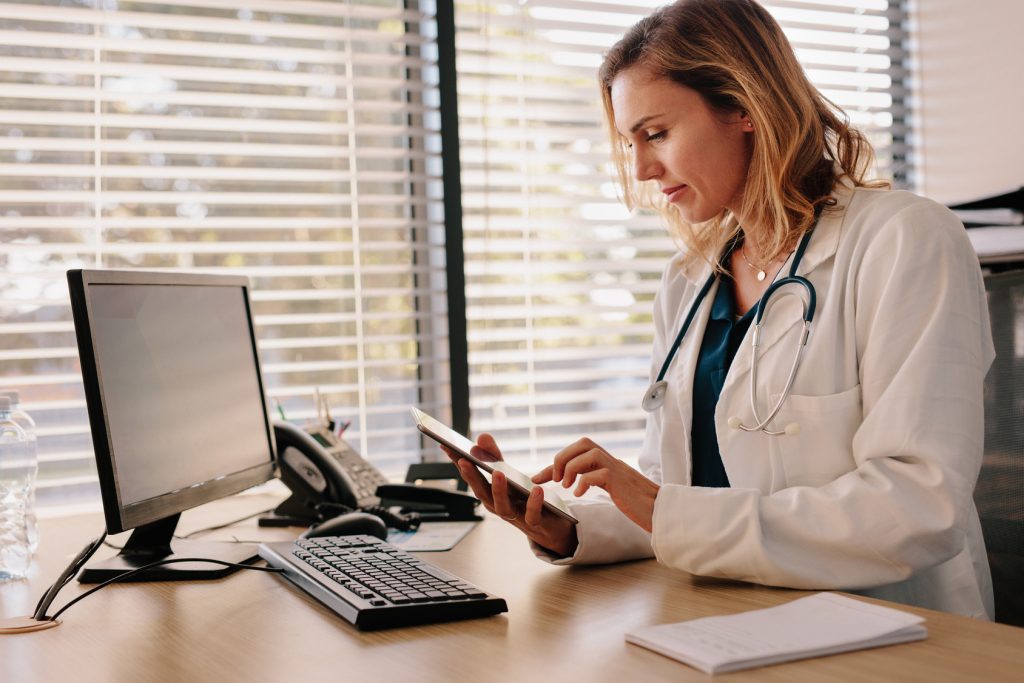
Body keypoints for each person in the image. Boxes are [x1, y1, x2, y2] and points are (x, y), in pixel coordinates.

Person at [444, 0, 994, 619]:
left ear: (743, 107)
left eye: (656, 134)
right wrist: (567, 527)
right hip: (722, 622)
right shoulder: (689, 282)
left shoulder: (904, 241)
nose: (644, 169)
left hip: (888, 631)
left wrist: (661, 506)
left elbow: (919, 506)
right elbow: (679, 500)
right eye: (632, 143)